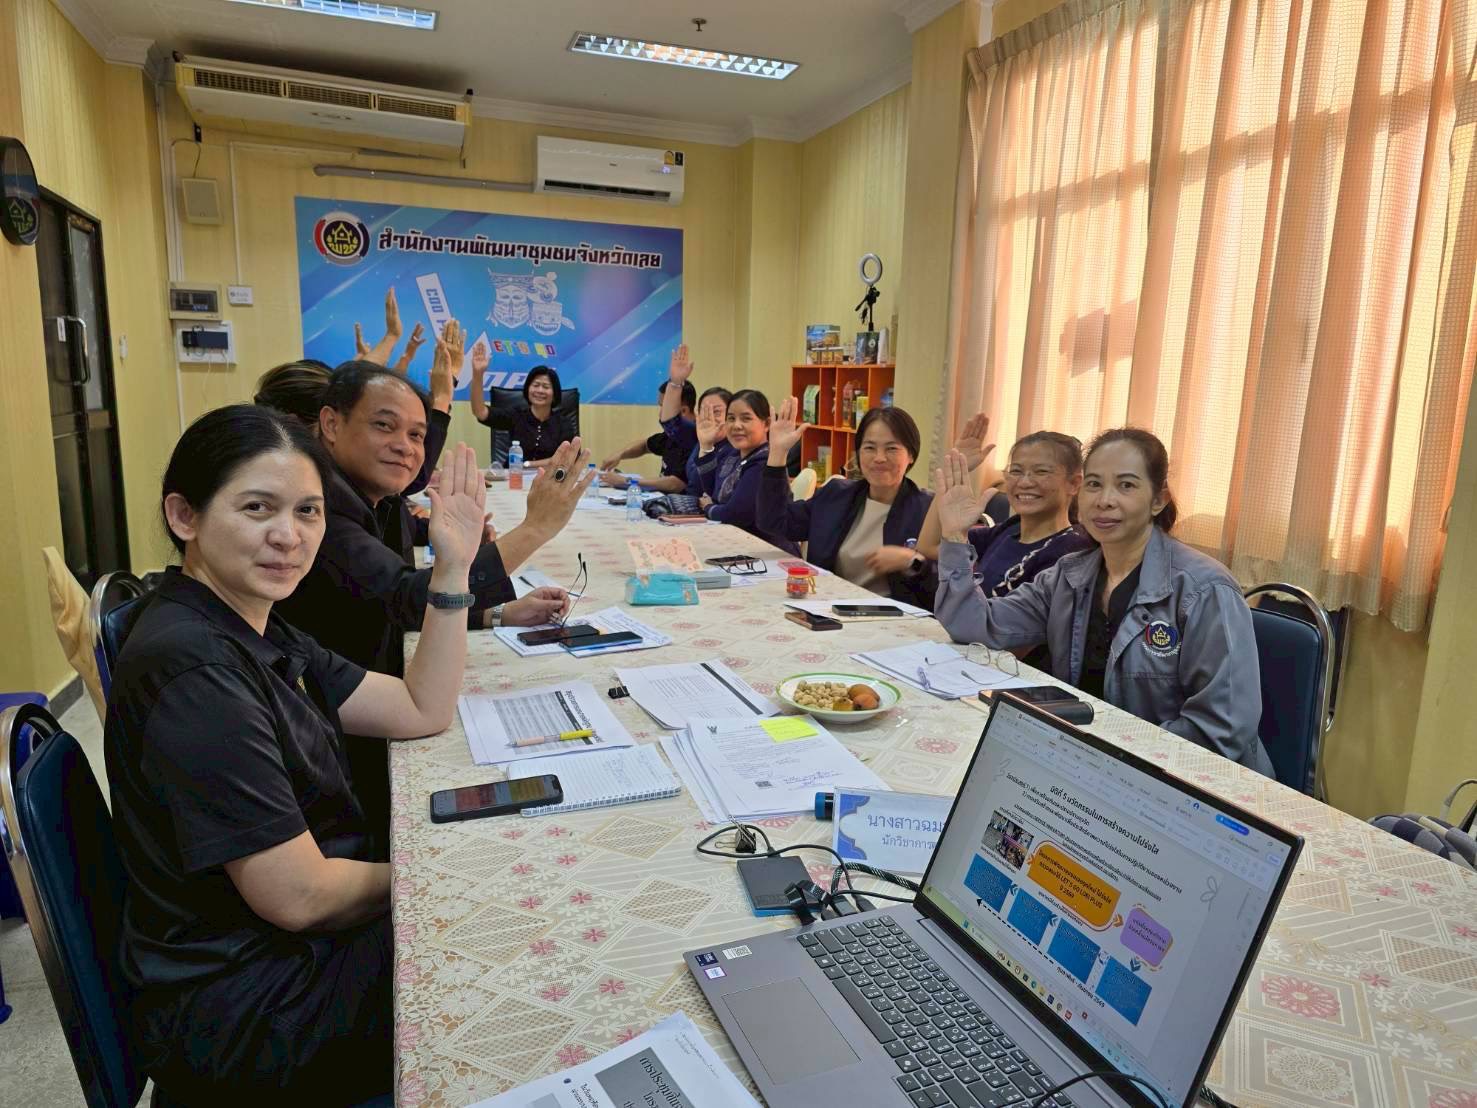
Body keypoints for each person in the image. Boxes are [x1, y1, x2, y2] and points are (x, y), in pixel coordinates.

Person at [104, 406, 487, 1103]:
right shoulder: (195, 670)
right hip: (253, 1008)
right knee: (500, 947)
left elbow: (420, 708)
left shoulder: (251, 621)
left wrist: (453, 565)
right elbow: (299, 896)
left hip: (281, 959)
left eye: (308, 512)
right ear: (185, 516)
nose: (290, 536)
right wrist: (437, 878)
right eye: (258, 508)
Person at [933, 427, 1274, 775]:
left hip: (1186, 785)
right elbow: (975, 627)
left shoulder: (1204, 589)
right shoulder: (1069, 575)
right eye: (1094, 484)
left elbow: (1221, 730)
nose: (1105, 499)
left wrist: (1110, 761)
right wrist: (955, 535)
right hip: (1090, 764)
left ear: (1158, 499)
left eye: (1126, 485)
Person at [273, 361, 590, 679]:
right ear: (331, 424)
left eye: (416, 435)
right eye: (384, 425)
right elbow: (407, 597)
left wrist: (500, 613)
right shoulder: (318, 506)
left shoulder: (379, 497)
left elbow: (403, 591)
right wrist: (535, 529)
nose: (404, 447)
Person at [756, 400, 937, 608]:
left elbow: (947, 586)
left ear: (911, 455)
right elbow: (776, 522)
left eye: (891, 449)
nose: (879, 458)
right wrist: (778, 453)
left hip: (892, 620)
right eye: (869, 447)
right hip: (828, 609)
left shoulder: (927, 510)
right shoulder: (836, 495)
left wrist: (913, 562)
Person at [916, 420, 1092, 596]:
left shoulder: (1072, 549)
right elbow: (930, 545)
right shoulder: (1009, 530)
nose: (1024, 482)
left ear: (1074, 484)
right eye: (1016, 471)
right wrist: (954, 474)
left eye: (1041, 472)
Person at [692, 388, 799, 554]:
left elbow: (735, 514)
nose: (736, 425)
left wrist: (708, 508)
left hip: (769, 554)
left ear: (767, 424)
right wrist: (706, 445)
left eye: (746, 418)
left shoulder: (766, 462)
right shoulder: (732, 454)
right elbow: (711, 491)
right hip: (736, 545)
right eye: (731, 418)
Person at [469, 349, 573, 468]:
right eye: (535, 385)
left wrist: (526, 465)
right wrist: (478, 374)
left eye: (546, 387)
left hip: (548, 479)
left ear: (555, 393)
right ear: (528, 389)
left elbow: (568, 457)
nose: (540, 390)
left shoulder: (564, 424)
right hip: (513, 478)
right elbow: (480, 412)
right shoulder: (516, 415)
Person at [597, 378, 698, 492]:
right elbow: (645, 445)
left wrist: (626, 481)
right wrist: (620, 454)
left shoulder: (695, 438)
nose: (660, 414)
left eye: (664, 408)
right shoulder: (673, 434)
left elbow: (676, 484)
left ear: (683, 411)